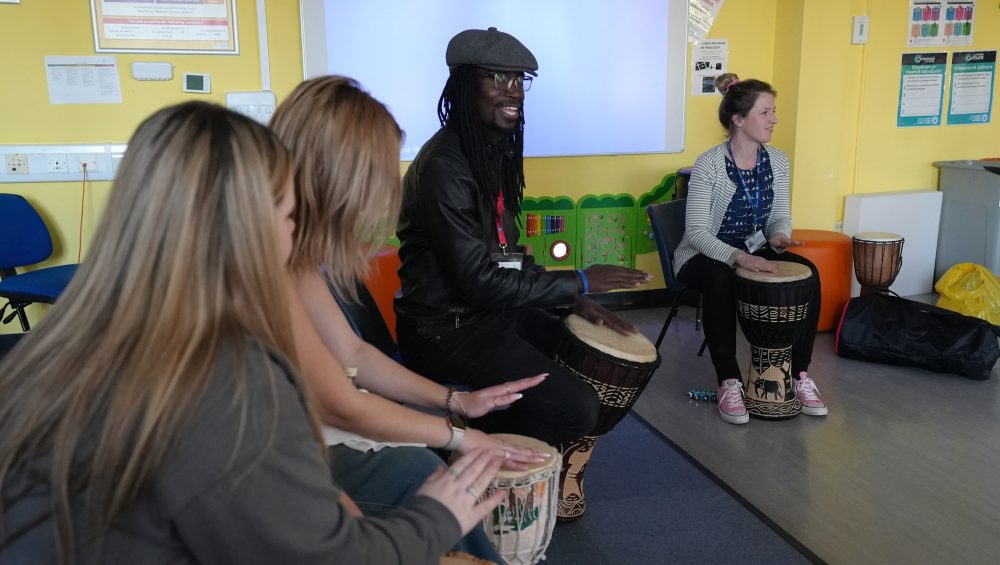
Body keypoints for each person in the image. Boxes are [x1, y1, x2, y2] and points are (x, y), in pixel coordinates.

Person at [0, 101, 505, 565]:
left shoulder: (51, 347)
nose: (293, 232)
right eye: (287, 216)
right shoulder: (224, 379)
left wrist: (453, 410)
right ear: (246, 226)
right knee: (421, 481)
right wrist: (438, 513)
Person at [270, 75, 555, 562]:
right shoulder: (262, 253)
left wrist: (455, 401)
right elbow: (342, 403)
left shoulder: (291, 248)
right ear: (337, 177)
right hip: (264, 457)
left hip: (286, 434)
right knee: (421, 472)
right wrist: (463, 438)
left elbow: (353, 355)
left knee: (428, 458)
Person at [394, 26, 652, 447]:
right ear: (463, 85)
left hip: (485, 314)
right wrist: (580, 279)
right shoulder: (444, 167)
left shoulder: (492, 154)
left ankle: (495, 442)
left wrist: (571, 300)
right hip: (444, 331)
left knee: (583, 353)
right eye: (497, 78)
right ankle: (465, 449)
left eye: (518, 80)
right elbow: (479, 281)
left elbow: (506, 255)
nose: (513, 91)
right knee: (577, 407)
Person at [672, 73, 828, 425]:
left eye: (774, 111)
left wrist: (779, 237)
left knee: (809, 275)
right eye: (766, 112)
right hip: (704, 254)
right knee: (720, 279)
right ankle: (729, 380)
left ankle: (799, 375)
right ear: (738, 120)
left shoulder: (779, 161)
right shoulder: (708, 164)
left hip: (755, 250)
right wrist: (738, 257)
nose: (774, 119)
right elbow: (695, 232)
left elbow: (779, 216)